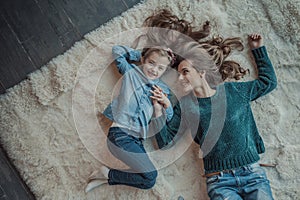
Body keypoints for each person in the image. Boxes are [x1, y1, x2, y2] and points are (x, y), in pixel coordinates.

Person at [151, 33, 277, 199]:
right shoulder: (185, 106)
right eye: (179, 74)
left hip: (253, 175)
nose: (181, 78)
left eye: (185, 72)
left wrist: (258, 49)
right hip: (220, 182)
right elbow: (164, 141)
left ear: (201, 72)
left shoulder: (234, 91)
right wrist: (158, 111)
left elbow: (268, 82)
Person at [84, 44, 176, 192]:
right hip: (120, 134)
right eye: (151, 63)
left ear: (165, 71)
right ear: (143, 60)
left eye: (160, 68)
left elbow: (167, 119)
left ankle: (106, 175)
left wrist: (166, 103)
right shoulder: (131, 73)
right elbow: (117, 51)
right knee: (152, 174)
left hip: (137, 141)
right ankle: (106, 174)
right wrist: (143, 52)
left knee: (149, 181)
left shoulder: (163, 90)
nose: (154, 70)